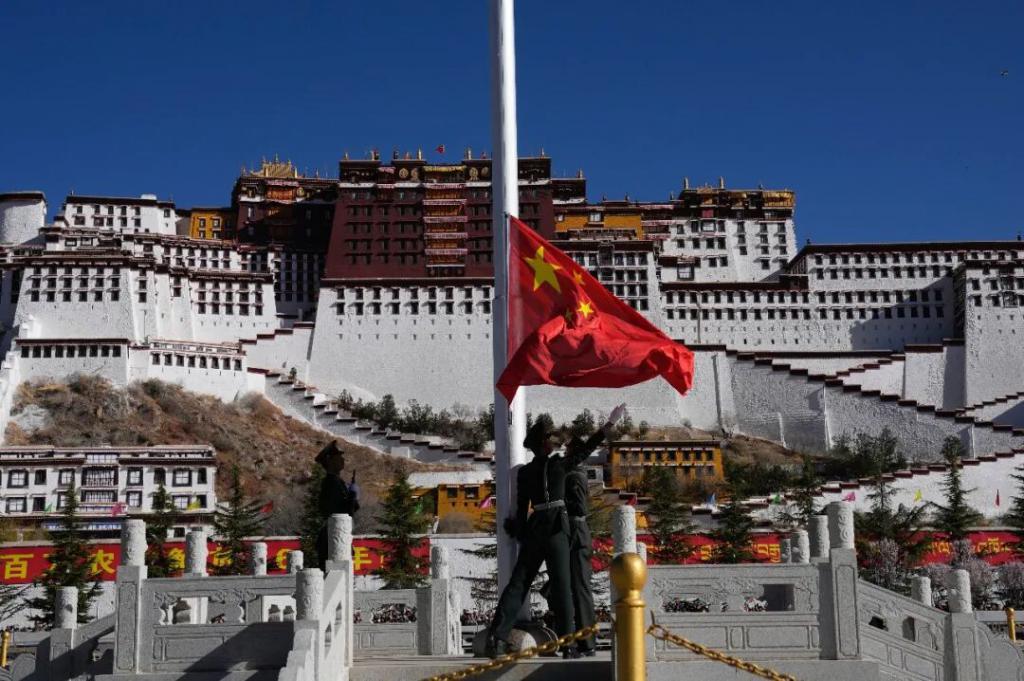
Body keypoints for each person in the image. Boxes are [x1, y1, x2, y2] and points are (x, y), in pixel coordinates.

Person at [485, 404, 625, 659]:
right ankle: (568, 644)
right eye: (549, 439)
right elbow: (586, 449)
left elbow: (521, 509)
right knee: (562, 587)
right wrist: (608, 426)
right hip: (557, 530)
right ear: (544, 445)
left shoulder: (525, 473)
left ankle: (497, 636)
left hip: (536, 528)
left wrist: (519, 531)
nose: (552, 442)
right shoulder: (560, 465)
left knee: (518, 583)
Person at [564, 440, 597, 657]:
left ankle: (587, 641)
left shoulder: (575, 476)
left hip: (576, 535)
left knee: (580, 588)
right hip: (574, 533)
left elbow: (579, 507)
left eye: (568, 450)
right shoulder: (573, 474)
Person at [314, 440, 360, 571]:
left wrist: (353, 497)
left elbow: (350, 509)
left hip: (338, 535)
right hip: (333, 537)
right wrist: (352, 496)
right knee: (333, 577)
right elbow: (337, 511)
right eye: (338, 457)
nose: (342, 460)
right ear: (329, 461)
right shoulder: (331, 483)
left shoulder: (337, 482)